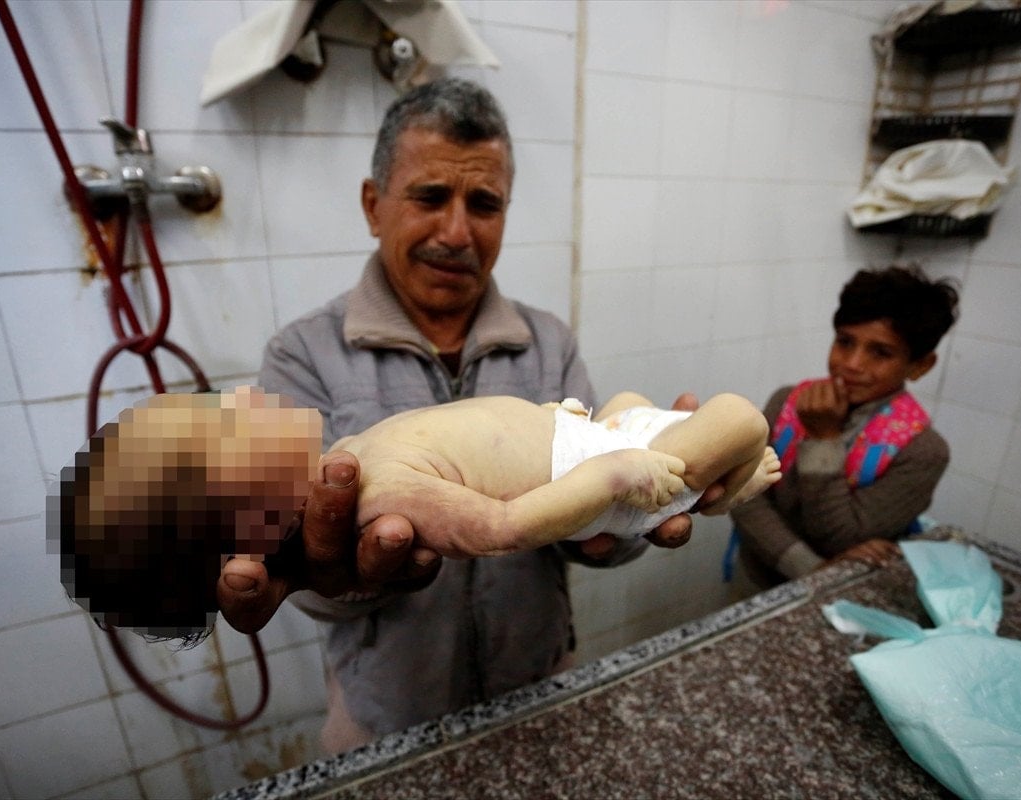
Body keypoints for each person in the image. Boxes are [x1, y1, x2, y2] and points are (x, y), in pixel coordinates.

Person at [215, 77, 707, 753]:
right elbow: (302, 565)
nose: (456, 232)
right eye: (429, 197)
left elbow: (602, 501)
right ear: (374, 205)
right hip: (388, 714)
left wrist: (632, 514)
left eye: (484, 204)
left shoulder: (548, 343)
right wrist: (339, 574)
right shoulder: (303, 355)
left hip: (539, 688)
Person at [53, 386, 779, 637]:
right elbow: (503, 529)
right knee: (741, 417)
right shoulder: (375, 494)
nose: (243, 397)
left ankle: (718, 476)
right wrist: (612, 477)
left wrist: (573, 434)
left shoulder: (347, 457)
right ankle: (738, 483)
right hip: (616, 477)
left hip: (600, 440)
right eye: (222, 428)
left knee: (631, 403)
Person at [728, 263, 960, 592]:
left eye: (880, 352)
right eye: (845, 342)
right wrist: (812, 569)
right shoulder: (787, 403)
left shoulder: (923, 451)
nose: (852, 364)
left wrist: (823, 440)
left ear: (920, 365)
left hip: (844, 593)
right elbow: (742, 492)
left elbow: (841, 537)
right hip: (761, 574)